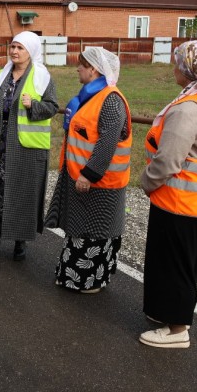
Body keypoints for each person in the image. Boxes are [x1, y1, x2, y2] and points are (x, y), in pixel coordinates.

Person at [139, 40, 197, 348]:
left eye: (178, 62)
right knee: (184, 263)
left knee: (174, 265)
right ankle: (169, 315)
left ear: (190, 69)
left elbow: (168, 160)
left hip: (181, 203)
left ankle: (177, 331)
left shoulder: (187, 110)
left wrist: (147, 181)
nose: (174, 67)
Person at [45, 47, 132, 294]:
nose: (77, 69)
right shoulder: (93, 96)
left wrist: (89, 174)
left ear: (94, 69)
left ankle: (90, 280)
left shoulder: (111, 100)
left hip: (101, 184)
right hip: (85, 180)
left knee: (95, 233)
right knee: (81, 230)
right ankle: (75, 277)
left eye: (81, 65)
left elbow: (108, 142)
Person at [0, 31, 59, 261]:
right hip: (1, 145)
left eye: (20, 48)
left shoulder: (42, 77)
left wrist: (34, 105)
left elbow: (52, 107)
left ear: (30, 51)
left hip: (27, 148)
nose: (15, 51)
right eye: (12, 47)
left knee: (22, 193)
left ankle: (20, 242)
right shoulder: (1, 75)